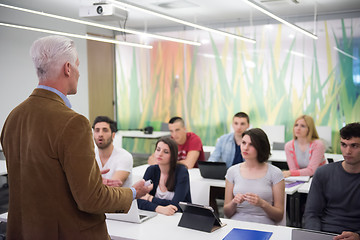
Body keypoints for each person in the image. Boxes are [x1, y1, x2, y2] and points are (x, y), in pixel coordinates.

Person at [0, 35, 151, 239]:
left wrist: (85, 178)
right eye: (78, 65)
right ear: (68, 68)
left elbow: (40, 182)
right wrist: (133, 193)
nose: (79, 73)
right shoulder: (72, 122)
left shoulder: (13, 117)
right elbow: (91, 200)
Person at [304, 122, 360, 239]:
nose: (347, 151)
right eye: (344, 145)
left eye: (354, 146)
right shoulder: (323, 173)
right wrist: (316, 236)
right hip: (325, 233)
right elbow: (311, 214)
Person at [223, 128, 285, 225]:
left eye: (251, 144)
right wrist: (234, 202)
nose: (245, 148)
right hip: (236, 224)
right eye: (243, 143)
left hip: (264, 225)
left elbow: (279, 216)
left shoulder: (275, 173)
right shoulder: (232, 171)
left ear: (261, 147)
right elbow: (226, 213)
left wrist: (262, 203)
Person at [138, 137, 191, 215]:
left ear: (173, 155)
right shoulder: (151, 170)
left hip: (179, 218)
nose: (160, 154)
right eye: (158, 150)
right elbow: (139, 200)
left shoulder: (182, 172)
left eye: (166, 152)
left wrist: (150, 198)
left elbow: (176, 206)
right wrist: (159, 208)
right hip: (156, 216)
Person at [93, 116, 133, 187]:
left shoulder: (124, 157)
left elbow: (113, 188)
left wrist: (92, 182)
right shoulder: (90, 156)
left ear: (113, 135)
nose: (100, 134)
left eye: (105, 130)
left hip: (117, 197)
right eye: (97, 130)